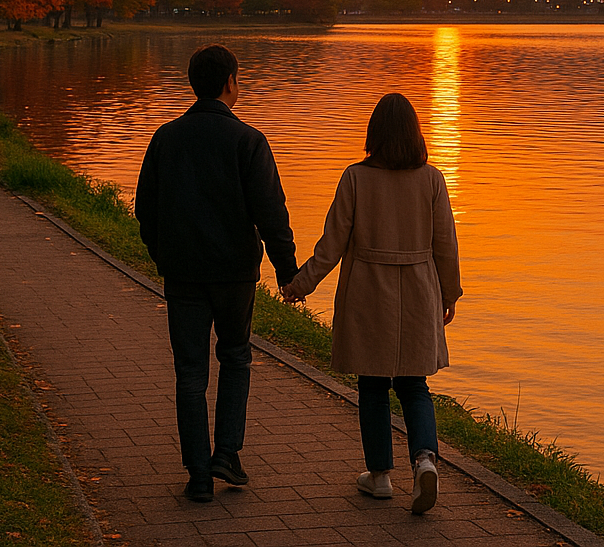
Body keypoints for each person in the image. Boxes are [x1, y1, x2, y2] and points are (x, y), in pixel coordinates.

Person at [282, 92, 462, 515]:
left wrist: (299, 285)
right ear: (415, 133)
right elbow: (446, 246)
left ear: (374, 134)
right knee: (415, 386)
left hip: (368, 292)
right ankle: (424, 460)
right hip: (418, 291)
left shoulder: (355, 178)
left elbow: (332, 244)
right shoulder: (432, 178)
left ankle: (380, 476)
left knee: (373, 385)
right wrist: (450, 294)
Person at [135, 44, 299, 503]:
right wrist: (288, 272)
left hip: (183, 273)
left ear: (194, 83)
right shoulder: (248, 140)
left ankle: (198, 475)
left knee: (189, 373)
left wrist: (163, 257)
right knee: (236, 357)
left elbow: (144, 209)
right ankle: (226, 452)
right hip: (234, 275)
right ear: (230, 83)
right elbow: (271, 213)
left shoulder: (167, 137)